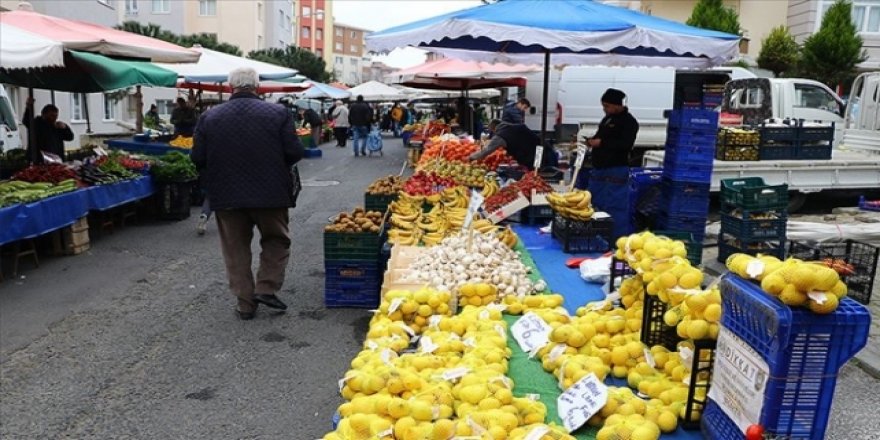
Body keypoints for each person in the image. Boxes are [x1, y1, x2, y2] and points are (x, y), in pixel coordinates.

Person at [191, 67, 305, 320]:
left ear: (231, 86)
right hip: (271, 193)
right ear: (257, 86)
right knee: (276, 240)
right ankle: (266, 287)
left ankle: (245, 304)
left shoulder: (209, 117)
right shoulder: (278, 113)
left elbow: (197, 157)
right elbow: (295, 152)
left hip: (226, 194)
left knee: (235, 248)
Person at [581, 88, 639, 240]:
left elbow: (625, 144)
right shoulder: (607, 119)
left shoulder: (629, 122)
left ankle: (615, 240)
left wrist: (602, 143)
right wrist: (591, 141)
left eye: (607, 106)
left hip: (616, 169)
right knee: (594, 203)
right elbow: (600, 136)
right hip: (599, 169)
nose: (604, 109)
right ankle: (594, 236)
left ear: (617, 105)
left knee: (616, 207)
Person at [469, 119, 542, 170]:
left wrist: (471, 157)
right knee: (537, 170)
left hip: (529, 155)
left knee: (534, 172)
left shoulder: (500, 135)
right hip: (539, 148)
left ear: (494, 129)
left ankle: (534, 189)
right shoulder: (512, 126)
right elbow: (515, 141)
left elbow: (486, 151)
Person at [22, 99, 74, 163]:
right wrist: (28, 107)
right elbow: (26, 121)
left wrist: (65, 128)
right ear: (44, 114)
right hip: (40, 159)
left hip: (56, 159)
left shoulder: (57, 127)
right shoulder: (37, 123)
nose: (55, 118)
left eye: (56, 116)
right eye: (52, 116)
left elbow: (70, 137)